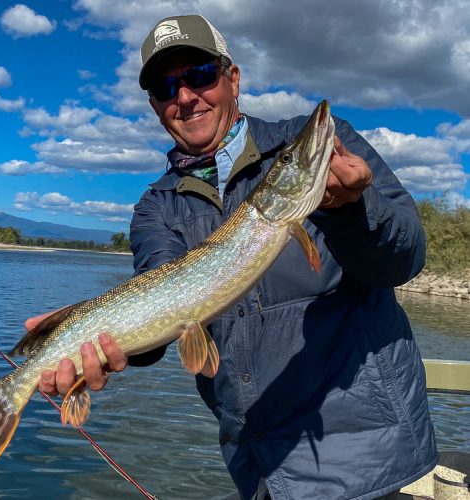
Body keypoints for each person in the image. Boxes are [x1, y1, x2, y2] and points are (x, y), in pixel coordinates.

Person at [27, 14, 438, 499]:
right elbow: (163, 302)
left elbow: (405, 259)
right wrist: (97, 343)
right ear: (156, 105)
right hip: (255, 461)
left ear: (233, 78)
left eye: (200, 75)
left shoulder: (319, 147)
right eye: (165, 87)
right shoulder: (157, 207)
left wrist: (352, 211)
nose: (185, 97)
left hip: (362, 454)